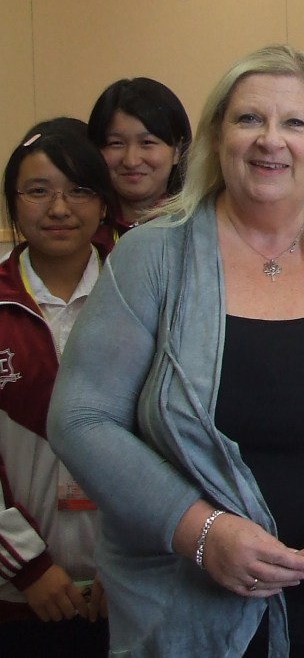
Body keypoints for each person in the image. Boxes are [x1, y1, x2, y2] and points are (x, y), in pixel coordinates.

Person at [47, 46, 304, 658]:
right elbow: (82, 418)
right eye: (249, 119)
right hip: (192, 609)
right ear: (217, 138)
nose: (272, 140)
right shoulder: (151, 259)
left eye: (294, 122)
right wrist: (200, 532)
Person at [1, 119, 115, 657]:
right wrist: (28, 566)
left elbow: (170, 436)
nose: (60, 208)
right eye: (38, 191)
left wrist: (130, 558)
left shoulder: (140, 293)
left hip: (128, 585)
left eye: (78, 190)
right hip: (16, 593)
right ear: (13, 201)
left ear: (103, 203)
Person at [87, 78, 191, 234]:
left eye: (147, 142)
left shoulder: (196, 228)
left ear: (177, 150)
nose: (131, 161)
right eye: (116, 143)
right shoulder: (82, 228)